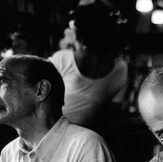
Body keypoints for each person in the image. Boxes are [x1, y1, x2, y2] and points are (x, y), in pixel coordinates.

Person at [49, 1, 130, 136]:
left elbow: (35, 99)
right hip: (86, 140)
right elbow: (107, 120)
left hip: (49, 135)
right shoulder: (121, 69)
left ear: (79, 32)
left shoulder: (62, 59)